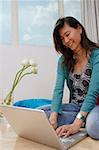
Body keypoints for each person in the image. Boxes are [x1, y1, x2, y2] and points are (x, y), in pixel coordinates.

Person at [40, 16, 99, 140]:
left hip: (94, 107)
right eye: (62, 38)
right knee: (39, 114)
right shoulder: (63, 61)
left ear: (79, 29)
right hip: (75, 108)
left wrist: (75, 125)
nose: (66, 40)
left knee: (94, 126)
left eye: (67, 34)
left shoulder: (96, 55)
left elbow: (93, 93)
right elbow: (58, 90)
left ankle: (82, 122)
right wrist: (53, 118)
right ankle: (82, 122)